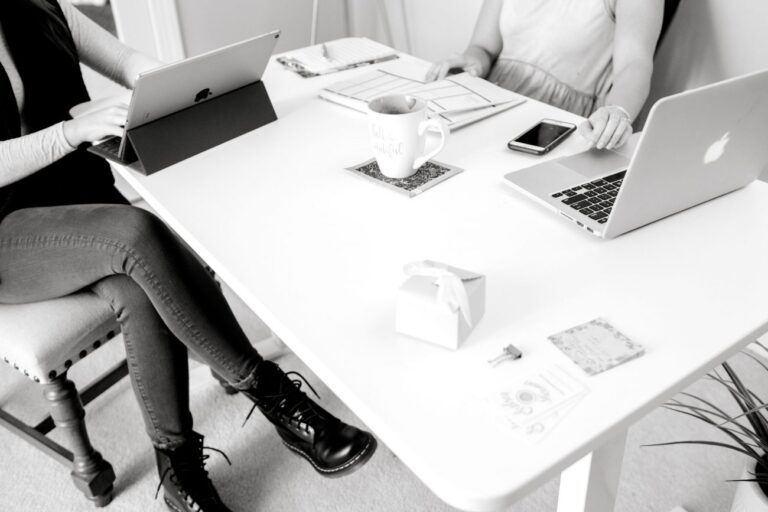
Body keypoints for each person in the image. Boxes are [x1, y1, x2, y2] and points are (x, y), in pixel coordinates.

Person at [0, 1, 376, 511]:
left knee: (139, 286)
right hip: (7, 231)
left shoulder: (43, 7)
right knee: (137, 230)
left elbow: (127, 59)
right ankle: (278, 399)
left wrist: (166, 83)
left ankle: (176, 467)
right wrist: (71, 133)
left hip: (75, 199)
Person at [426, 0, 663, 150]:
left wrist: (619, 111)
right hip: (493, 106)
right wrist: (473, 60)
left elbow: (634, 65)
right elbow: (483, 47)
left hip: (557, 124)